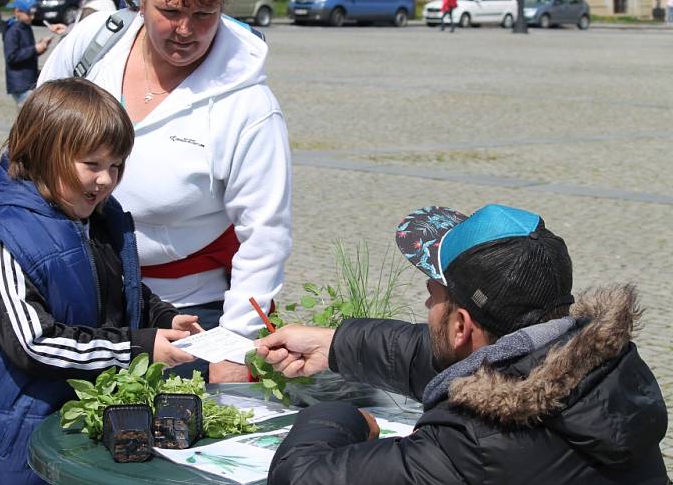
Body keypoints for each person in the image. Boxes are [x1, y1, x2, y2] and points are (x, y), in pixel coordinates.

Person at [257, 204, 669, 484]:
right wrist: (335, 345)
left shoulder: (474, 444)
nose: (425, 303)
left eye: (434, 293)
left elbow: (299, 476)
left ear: (460, 325)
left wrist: (340, 415)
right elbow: (459, 360)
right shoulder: (603, 364)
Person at [38, 0, 291, 382]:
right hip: (71, 304)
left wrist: (233, 345)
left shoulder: (248, 104)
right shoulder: (96, 42)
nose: (186, 30)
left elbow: (264, 236)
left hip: (183, 314)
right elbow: (31, 143)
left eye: (204, 13)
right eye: (170, 11)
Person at [0, 79, 200, 484]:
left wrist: (163, 317)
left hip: (79, 427)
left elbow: (121, 286)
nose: (106, 180)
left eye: (116, 166)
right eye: (93, 164)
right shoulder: (2, 239)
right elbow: (33, 344)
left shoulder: (95, 216)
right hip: (15, 440)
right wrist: (135, 347)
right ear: (46, 152)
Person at [2, 0, 52, 106]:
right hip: (20, 83)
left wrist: (40, 47)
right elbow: (11, 57)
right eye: (29, 13)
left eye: (33, 13)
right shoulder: (13, 30)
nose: (32, 17)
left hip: (29, 80)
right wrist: (34, 49)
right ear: (17, 11)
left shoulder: (25, 27)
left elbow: (27, 52)